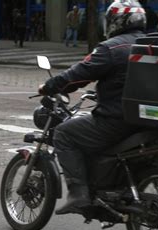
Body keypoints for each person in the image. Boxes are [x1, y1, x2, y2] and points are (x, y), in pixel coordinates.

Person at [37, 0, 146, 216]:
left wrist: (49, 86)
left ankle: (79, 194)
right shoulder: (153, 45)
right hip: (146, 120)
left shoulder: (112, 47)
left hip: (117, 121)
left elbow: (78, 74)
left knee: (63, 133)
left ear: (115, 21)